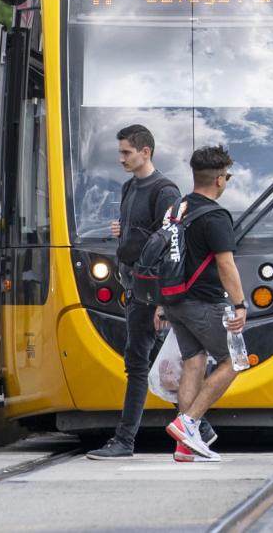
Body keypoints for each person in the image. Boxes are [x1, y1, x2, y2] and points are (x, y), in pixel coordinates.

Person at [88, 125, 184, 461]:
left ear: (146, 152)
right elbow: (142, 236)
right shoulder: (130, 187)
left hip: (150, 292)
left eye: (127, 152)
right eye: (120, 152)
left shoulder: (166, 191)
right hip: (134, 286)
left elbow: (171, 246)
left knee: (138, 364)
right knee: (161, 364)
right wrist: (122, 230)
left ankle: (124, 440)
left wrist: (162, 301)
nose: (121, 158)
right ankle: (200, 427)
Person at [160, 145, 247, 464]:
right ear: (220, 179)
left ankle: (185, 446)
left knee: (193, 364)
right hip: (205, 302)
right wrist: (240, 305)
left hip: (174, 301)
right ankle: (189, 422)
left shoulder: (177, 209)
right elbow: (226, 265)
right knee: (235, 361)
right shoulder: (216, 215)